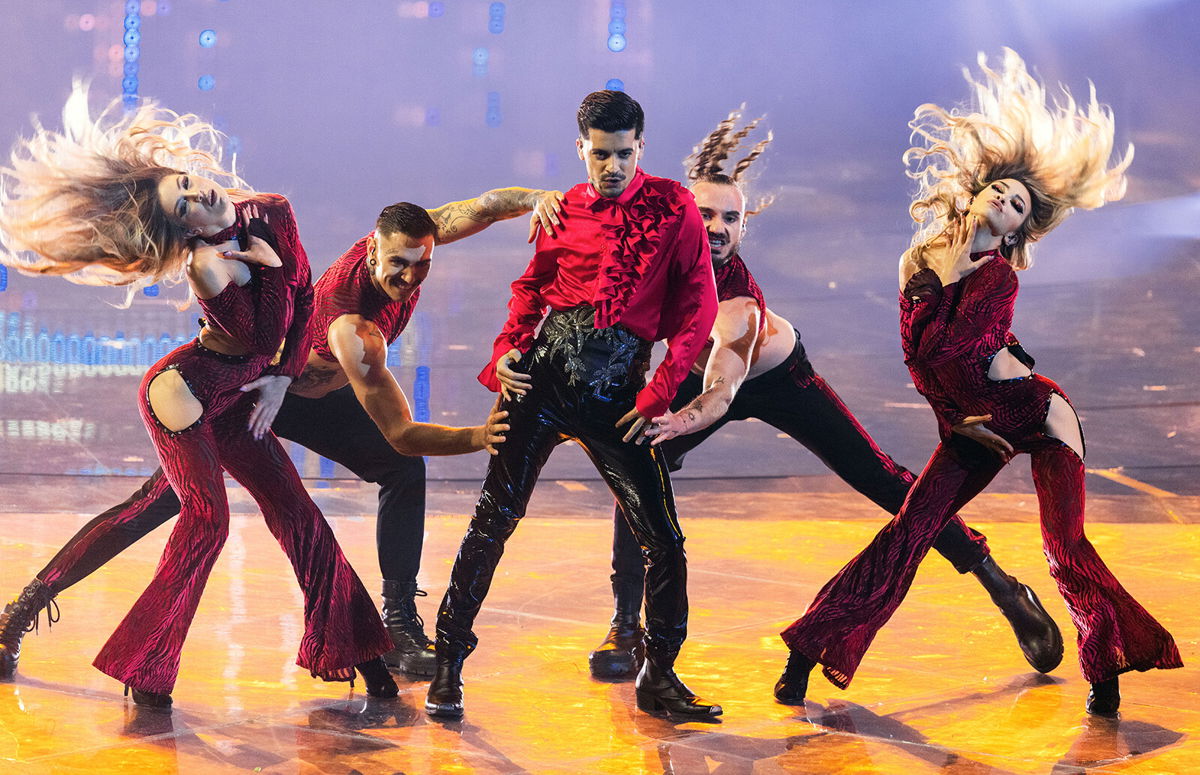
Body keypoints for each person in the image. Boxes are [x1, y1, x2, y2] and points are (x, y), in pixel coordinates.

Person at [0, 188, 563, 681]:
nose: (409, 278)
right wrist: (480, 436)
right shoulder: (354, 328)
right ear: (373, 249)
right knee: (156, 505)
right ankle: (21, 611)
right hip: (254, 400)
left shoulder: (411, 241)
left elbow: (486, 206)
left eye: (421, 266)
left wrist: (538, 198)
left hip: (303, 393)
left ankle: (397, 622)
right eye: (398, 266)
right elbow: (401, 432)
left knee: (394, 475)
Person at [586, 108, 1062, 680]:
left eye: (731, 219)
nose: (718, 227)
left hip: (771, 375)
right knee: (636, 470)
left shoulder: (740, 305)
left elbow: (720, 390)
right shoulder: (651, 249)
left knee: (881, 478)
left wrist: (671, 423)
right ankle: (624, 623)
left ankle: (1002, 587)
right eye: (706, 213)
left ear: (743, 228)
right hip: (704, 367)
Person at [773, 51, 1182, 716]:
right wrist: (955, 422)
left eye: (1018, 203)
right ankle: (808, 651)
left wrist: (977, 408)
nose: (1004, 200)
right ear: (981, 191)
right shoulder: (918, 258)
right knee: (907, 532)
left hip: (1034, 412)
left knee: (1064, 544)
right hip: (970, 426)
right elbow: (918, 358)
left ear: (1021, 227)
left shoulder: (1000, 279)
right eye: (1001, 189)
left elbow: (972, 353)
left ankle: (1105, 669)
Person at [0, 84, 395, 706]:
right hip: (186, 391)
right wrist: (258, 270)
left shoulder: (272, 211)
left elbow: (301, 309)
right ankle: (131, 657)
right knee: (204, 521)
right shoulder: (204, 266)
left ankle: (359, 648)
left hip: (239, 396)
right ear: (178, 228)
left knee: (296, 514)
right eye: (181, 204)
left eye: (186, 180)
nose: (196, 193)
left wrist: (286, 376)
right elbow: (258, 331)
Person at [426, 90, 721, 720]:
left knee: (663, 539)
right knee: (493, 518)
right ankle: (448, 661)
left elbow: (699, 305)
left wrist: (661, 389)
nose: (610, 167)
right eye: (598, 155)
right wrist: (506, 348)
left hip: (619, 393)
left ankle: (659, 673)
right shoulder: (561, 209)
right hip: (541, 381)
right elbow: (531, 288)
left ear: (640, 147)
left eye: (622, 154)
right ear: (581, 149)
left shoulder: (674, 207)